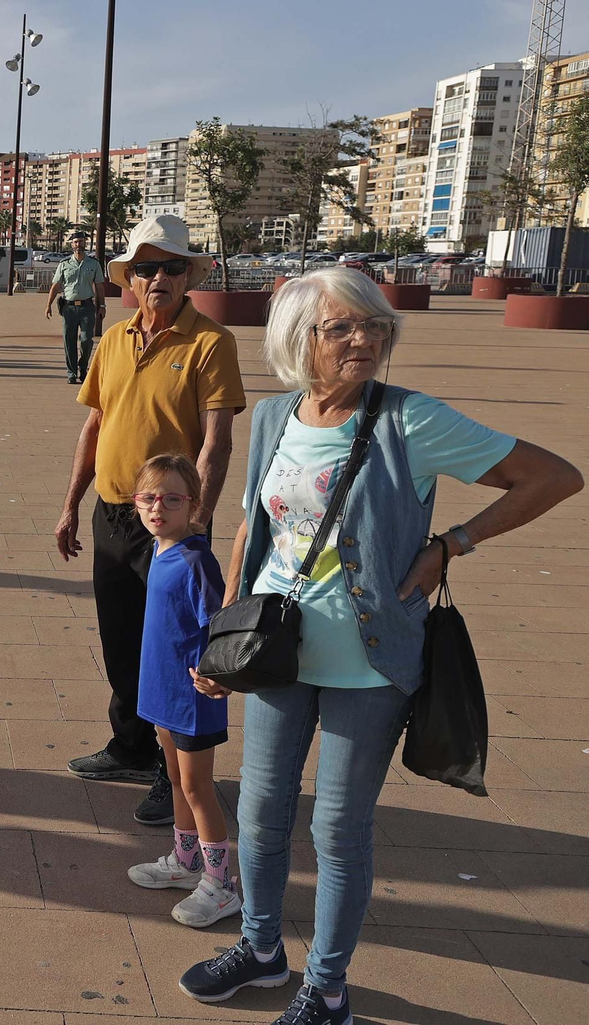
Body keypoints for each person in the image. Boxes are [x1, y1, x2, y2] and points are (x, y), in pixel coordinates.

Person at [176, 267, 582, 1025]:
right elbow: (252, 525)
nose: (364, 339)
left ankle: (327, 988)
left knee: (337, 825)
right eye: (342, 327)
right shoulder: (272, 418)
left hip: (370, 659)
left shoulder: (411, 421)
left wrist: (453, 543)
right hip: (277, 651)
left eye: (375, 325)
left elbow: (553, 478)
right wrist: (225, 625)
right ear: (299, 338)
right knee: (260, 811)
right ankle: (261, 948)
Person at [54, 214, 245, 828]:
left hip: (170, 524)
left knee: (174, 650)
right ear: (130, 279)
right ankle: (131, 746)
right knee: (119, 640)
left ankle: (174, 774)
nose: (157, 277)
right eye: (145, 268)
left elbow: (216, 442)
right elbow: (94, 426)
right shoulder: (113, 339)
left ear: (189, 276)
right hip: (113, 512)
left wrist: (197, 521)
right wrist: (71, 505)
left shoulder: (211, 343)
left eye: (170, 267)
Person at [123, 454, 236, 929]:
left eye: (172, 499)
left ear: (193, 504)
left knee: (197, 787)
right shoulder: (159, 549)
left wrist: (218, 675)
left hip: (192, 696)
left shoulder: (195, 559)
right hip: (162, 692)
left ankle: (221, 884)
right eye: (148, 498)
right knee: (174, 778)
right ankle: (186, 862)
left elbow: (218, 623)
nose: (158, 508)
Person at [45, 235, 107, 384]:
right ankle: (71, 373)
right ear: (71, 245)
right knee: (69, 340)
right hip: (69, 308)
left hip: (87, 307)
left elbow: (99, 286)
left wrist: (102, 306)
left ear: (85, 243)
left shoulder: (93, 263)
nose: (78, 244)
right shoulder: (64, 264)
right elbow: (56, 285)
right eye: (75, 242)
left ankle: (83, 367)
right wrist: (48, 305)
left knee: (86, 340)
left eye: (80, 241)